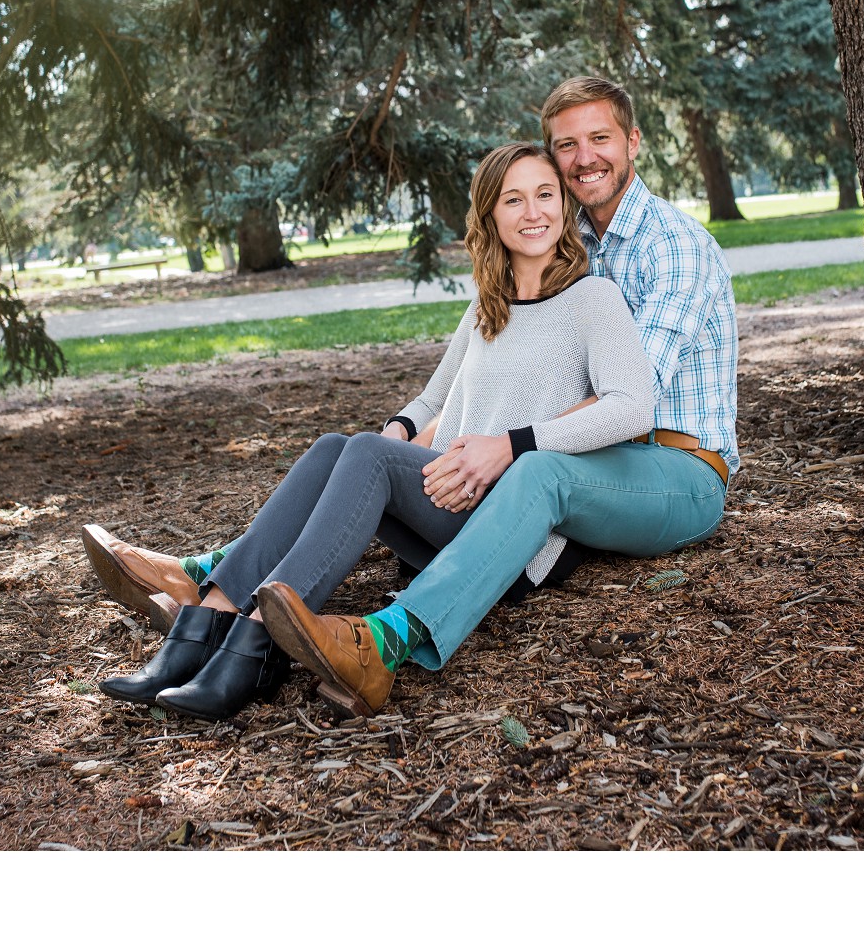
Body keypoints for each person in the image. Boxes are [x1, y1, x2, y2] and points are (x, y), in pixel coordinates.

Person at [80, 140, 655, 720]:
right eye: (513, 200)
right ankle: (212, 619)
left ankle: (253, 645)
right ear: (489, 215)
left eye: (545, 195)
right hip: (451, 494)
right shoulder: (489, 304)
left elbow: (633, 406)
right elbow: (433, 397)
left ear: (563, 205)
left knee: (368, 457)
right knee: (342, 447)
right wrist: (397, 430)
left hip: (516, 532)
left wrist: (511, 445)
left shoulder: (593, 300)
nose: (533, 213)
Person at [255, 75, 738, 715]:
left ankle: (385, 642)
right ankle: (229, 587)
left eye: (600, 138)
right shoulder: (571, 244)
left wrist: (498, 449)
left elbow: (624, 403)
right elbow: (504, 378)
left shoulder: (671, 247)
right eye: (567, 145)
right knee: (364, 452)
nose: (584, 157)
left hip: (678, 468)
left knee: (537, 468)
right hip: (588, 467)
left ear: (633, 142)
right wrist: (441, 450)